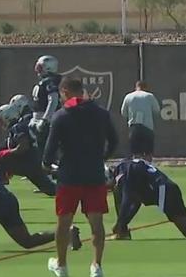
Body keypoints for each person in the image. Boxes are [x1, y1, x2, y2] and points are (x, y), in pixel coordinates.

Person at [43, 77, 117, 277]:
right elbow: (114, 140)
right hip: (94, 174)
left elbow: (49, 152)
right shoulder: (101, 113)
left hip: (69, 176)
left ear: (65, 92)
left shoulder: (61, 116)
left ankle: (62, 264)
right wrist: (102, 157)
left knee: (64, 221)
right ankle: (96, 265)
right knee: (96, 222)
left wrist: (47, 165)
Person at [0, 103, 57, 196]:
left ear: (7, 117)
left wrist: (6, 154)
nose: (1, 124)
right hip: (32, 161)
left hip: (27, 162)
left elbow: (23, 147)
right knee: (50, 189)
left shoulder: (17, 127)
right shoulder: (20, 125)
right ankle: (70, 189)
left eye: (1, 121)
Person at [30, 55, 62, 155]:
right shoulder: (45, 82)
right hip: (39, 120)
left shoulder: (49, 82)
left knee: (45, 151)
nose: (38, 71)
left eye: (40, 68)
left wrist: (45, 120)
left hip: (45, 121)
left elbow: (53, 100)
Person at [120, 81, 159, 159]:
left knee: (136, 154)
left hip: (134, 128)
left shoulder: (128, 96)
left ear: (136, 87)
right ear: (145, 88)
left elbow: (123, 113)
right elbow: (157, 110)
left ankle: (137, 169)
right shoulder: (149, 96)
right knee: (148, 154)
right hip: (147, 127)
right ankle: (148, 169)